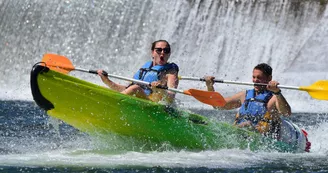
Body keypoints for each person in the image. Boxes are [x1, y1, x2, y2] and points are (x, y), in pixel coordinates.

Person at [205, 63, 291, 138]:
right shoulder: (244, 95)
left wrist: (277, 92)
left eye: (259, 77)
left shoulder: (274, 98)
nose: (255, 80)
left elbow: (286, 113)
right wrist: (210, 87)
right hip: (238, 134)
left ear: (269, 78)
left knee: (247, 125)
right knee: (245, 125)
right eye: (253, 77)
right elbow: (218, 106)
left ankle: (231, 130)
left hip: (260, 138)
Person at [97, 40, 179, 104]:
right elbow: (127, 89)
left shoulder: (171, 73)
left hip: (152, 104)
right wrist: (107, 81)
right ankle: (111, 99)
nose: (162, 53)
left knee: (135, 88)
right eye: (159, 50)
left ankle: (111, 102)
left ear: (169, 54)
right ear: (152, 52)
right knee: (104, 88)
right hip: (139, 99)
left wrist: (160, 90)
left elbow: (170, 98)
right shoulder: (147, 67)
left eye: (166, 50)